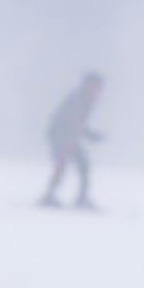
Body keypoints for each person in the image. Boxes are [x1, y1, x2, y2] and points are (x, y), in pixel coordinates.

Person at [39, 72, 105, 209]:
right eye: (96, 87)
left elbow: (79, 124)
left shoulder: (86, 101)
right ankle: (50, 196)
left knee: (81, 165)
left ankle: (79, 198)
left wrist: (91, 135)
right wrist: (72, 140)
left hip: (67, 137)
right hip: (60, 136)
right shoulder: (79, 100)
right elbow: (71, 122)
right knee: (63, 165)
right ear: (87, 86)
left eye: (99, 88)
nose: (98, 91)